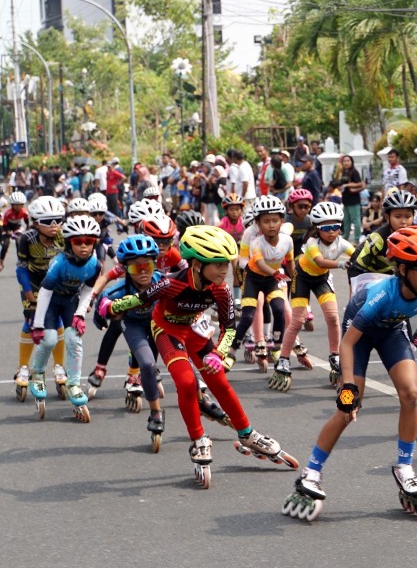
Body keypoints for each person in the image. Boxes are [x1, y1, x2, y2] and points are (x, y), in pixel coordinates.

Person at [104, 225, 298, 486]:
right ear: (196, 263)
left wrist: (219, 354)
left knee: (218, 379)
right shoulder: (170, 284)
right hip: (167, 329)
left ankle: (247, 434)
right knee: (186, 382)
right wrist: (112, 305)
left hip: (194, 330)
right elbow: (140, 299)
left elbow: (229, 328)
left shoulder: (221, 290)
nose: (224, 271)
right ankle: (198, 440)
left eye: (226, 264)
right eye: (217, 264)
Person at [281, 226, 417, 522]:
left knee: (411, 394)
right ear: (403, 269)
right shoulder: (381, 296)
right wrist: (348, 387)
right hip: (358, 336)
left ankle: (404, 467)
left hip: (391, 332)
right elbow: (347, 343)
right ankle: (311, 472)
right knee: (347, 410)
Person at [269, 202, 355, 392]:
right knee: (298, 320)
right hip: (303, 278)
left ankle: (335, 355)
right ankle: (283, 358)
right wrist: (341, 264)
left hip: (322, 279)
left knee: (333, 317)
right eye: (326, 228)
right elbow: (320, 261)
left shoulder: (342, 243)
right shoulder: (311, 244)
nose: (332, 232)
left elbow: (358, 255)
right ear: (317, 228)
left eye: (336, 227)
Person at [95, 235, 168, 448]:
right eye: (137, 268)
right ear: (125, 269)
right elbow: (104, 303)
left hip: (157, 322)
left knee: (176, 360)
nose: (144, 271)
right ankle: (156, 412)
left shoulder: (163, 280)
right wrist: (103, 312)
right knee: (146, 363)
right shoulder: (118, 290)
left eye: (148, 265)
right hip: (133, 325)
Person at [27, 215, 101, 420]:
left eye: (89, 241)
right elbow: (45, 292)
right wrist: (38, 325)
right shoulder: (59, 262)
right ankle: (38, 372)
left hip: (70, 302)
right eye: (78, 242)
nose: (84, 246)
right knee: (49, 339)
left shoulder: (95, 264)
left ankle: (74, 384)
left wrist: (79, 314)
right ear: (69, 242)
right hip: (51, 301)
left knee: (74, 339)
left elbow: (88, 290)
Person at [14, 197, 68, 402]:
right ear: (35, 222)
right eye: (47, 221)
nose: (54, 225)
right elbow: (21, 268)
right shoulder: (26, 239)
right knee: (31, 321)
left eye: (57, 220)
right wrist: (28, 293)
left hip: (55, 281)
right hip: (34, 281)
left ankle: (58, 366)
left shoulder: (63, 237)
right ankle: (23, 367)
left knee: (58, 321)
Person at [234, 195, 294, 370]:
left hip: (274, 273)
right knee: (257, 303)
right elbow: (242, 260)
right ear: (257, 222)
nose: (271, 225)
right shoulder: (249, 234)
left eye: (275, 220)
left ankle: (275, 340)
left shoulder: (282, 233)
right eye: (265, 221)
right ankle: (257, 338)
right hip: (252, 271)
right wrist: (258, 268)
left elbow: (288, 236)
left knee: (282, 307)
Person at [348, 190, 417, 294]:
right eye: (397, 216)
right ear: (387, 217)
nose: (403, 222)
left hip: (387, 270)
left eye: (408, 216)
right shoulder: (378, 238)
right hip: (361, 268)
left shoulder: (415, 235)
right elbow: (356, 269)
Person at [338, 154, 365, 245]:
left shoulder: (354, 172)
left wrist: (347, 185)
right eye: (344, 161)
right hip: (346, 200)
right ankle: (345, 237)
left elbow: (359, 184)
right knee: (346, 220)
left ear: (351, 162)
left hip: (354, 200)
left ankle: (357, 239)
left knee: (356, 220)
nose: (346, 163)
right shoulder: (344, 172)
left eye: (348, 161)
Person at [1, 190, 29, 271]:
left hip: (17, 227)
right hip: (7, 228)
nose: (18, 207)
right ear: (12, 205)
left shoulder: (24, 212)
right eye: (16, 205)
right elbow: (4, 225)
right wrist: (8, 232)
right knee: (6, 243)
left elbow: (27, 222)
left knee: (19, 241)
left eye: (20, 205)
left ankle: (20, 260)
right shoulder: (7, 213)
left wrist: (27, 230)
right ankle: (1, 261)